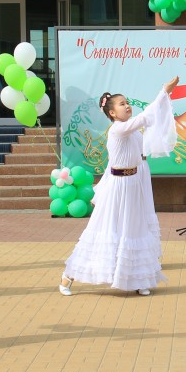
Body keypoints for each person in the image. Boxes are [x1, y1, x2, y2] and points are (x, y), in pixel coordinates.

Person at [60, 78, 178, 297]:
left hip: (133, 186)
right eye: (122, 104)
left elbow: (149, 129)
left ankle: (138, 279)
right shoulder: (118, 130)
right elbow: (146, 117)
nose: (127, 106)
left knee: (134, 229)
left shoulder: (132, 132)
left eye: (127, 102)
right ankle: (68, 277)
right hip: (117, 189)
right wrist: (163, 92)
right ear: (112, 113)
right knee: (102, 230)